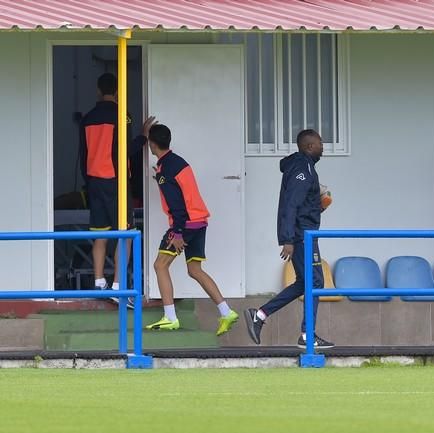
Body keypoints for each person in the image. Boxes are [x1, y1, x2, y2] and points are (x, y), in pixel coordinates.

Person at [145, 124, 238, 335]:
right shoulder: (176, 162)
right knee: (195, 270)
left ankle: (170, 318)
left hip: (184, 224)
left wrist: (177, 232)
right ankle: (226, 311)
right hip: (199, 221)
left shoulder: (165, 171)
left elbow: (177, 204)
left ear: (151, 144)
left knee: (160, 265)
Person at [244, 129, 334, 349]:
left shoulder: (306, 168)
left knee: (306, 282)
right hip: (303, 235)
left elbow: (302, 205)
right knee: (315, 282)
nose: (323, 147)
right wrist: (288, 239)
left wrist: (318, 205)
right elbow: (290, 204)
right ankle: (307, 335)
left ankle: (261, 314)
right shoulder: (302, 169)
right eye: (321, 143)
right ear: (310, 146)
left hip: (305, 232)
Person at [79, 72, 156, 301]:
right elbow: (126, 150)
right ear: (117, 91)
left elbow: (82, 154)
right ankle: (118, 287)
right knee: (125, 234)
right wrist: (143, 137)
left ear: (98, 91)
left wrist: (88, 180)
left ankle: (98, 283)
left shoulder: (87, 118)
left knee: (99, 235)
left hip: (94, 182)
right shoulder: (123, 115)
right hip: (116, 182)